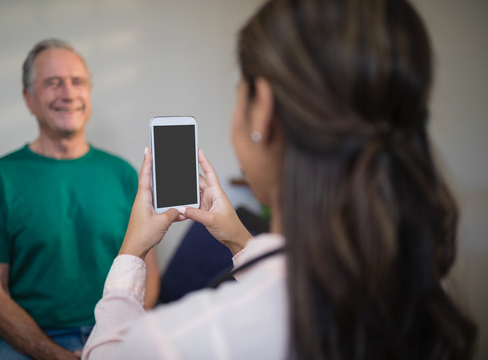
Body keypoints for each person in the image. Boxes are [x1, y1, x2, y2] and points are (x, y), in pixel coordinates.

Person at [83, 0, 478, 358]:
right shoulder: (427, 295)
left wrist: (131, 254)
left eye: (240, 93)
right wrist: (237, 237)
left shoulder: (181, 342)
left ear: (263, 110)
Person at [0, 38, 160, 359]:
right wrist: (55, 355)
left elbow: (148, 271)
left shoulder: (124, 173)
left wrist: (120, 338)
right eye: (53, 83)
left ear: (89, 93)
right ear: (29, 99)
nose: (68, 93)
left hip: (116, 330)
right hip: (32, 339)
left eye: (77, 82)